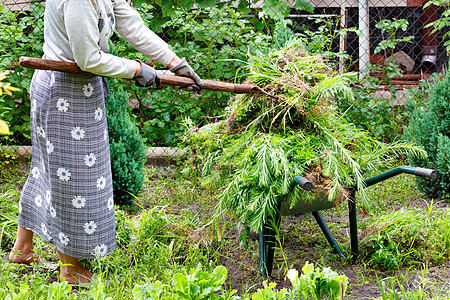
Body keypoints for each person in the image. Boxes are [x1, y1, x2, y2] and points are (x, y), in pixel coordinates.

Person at [7, 0, 203, 284]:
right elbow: (87, 58)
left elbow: (132, 26)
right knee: (69, 181)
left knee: (46, 172)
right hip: (62, 91)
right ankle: (70, 269)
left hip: (80, 91)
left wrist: (173, 62)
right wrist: (136, 69)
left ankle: (22, 249)